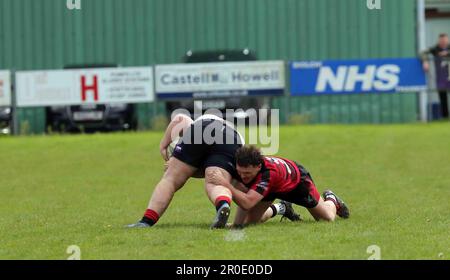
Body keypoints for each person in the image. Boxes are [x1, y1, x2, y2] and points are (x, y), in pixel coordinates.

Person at [127, 114, 301, 229]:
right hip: (230, 140)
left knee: (171, 180)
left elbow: (180, 118)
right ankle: (223, 203)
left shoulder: (196, 124)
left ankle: (146, 221)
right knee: (214, 181)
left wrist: (164, 146)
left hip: (202, 128)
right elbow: (211, 173)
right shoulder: (238, 149)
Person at [211, 145, 349, 227]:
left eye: (247, 173)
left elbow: (247, 203)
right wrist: (237, 226)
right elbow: (244, 200)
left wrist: (225, 184)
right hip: (274, 187)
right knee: (251, 222)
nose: (243, 176)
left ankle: (331, 199)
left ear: (258, 167)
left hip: (297, 183)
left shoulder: (268, 174)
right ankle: (282, 207)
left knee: (326, 219)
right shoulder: (245, 167)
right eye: (240, 172)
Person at [421, 33, 450, 119]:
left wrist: (448, 53)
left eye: (445, 40)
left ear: (447, 40)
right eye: (441, 40)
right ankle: (446, 117)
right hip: (441, 77)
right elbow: (423, 53)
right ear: (439, 41)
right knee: (443, 98)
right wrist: (425, 61)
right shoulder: (435, 49)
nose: (443, 42)